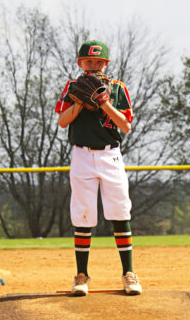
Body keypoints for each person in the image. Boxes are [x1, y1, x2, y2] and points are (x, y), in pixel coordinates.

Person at [55, 40, 142, 296]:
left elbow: (125, 126)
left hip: (110, 156)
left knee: (119, 211)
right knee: (82, 214)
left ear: (106, 63)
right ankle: (81, 276)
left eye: (99, 61)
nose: (94, 66)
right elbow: (62, 121)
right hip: (81, 155)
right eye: (88, 61)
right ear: (80, 63)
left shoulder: (117, 88)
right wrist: (80, 102)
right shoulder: (72, 88)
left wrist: (104, 102)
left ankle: (129, 273)